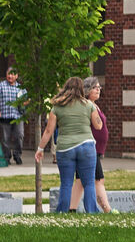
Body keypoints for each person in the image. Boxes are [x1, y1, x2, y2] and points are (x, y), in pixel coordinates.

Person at [36, 76, 99, 213]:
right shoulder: (88, 105)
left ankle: (62, 212)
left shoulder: (57, 106)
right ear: (82, 89)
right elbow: (98, 126)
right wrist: (94, 110)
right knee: (89, 183)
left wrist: (40, 149)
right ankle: (92, 212)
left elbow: (48, 131)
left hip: (65, 148)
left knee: (66, 183)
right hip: (87, 146)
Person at [81, 77, 114, 214]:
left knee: (88, 180)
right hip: (91, 148)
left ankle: (73, 209)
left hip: (97, 149)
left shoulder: (94, 105)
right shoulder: (88, 105)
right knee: (98, 179)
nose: (99, 90)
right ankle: (107, 209)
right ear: (88, 90)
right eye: (96, 87)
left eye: (100, 87)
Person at [0, 67, 27, 165]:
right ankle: (6, 157)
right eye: (8, 74)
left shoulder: (21, 88)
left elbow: (26, 101)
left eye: (12, 74)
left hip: (18, 117)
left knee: (19, 136)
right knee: (5, 138)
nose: (10, 76)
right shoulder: (0, 86)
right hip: (5, 116)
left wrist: (24, 103)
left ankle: (17, 155)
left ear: (16, 76)